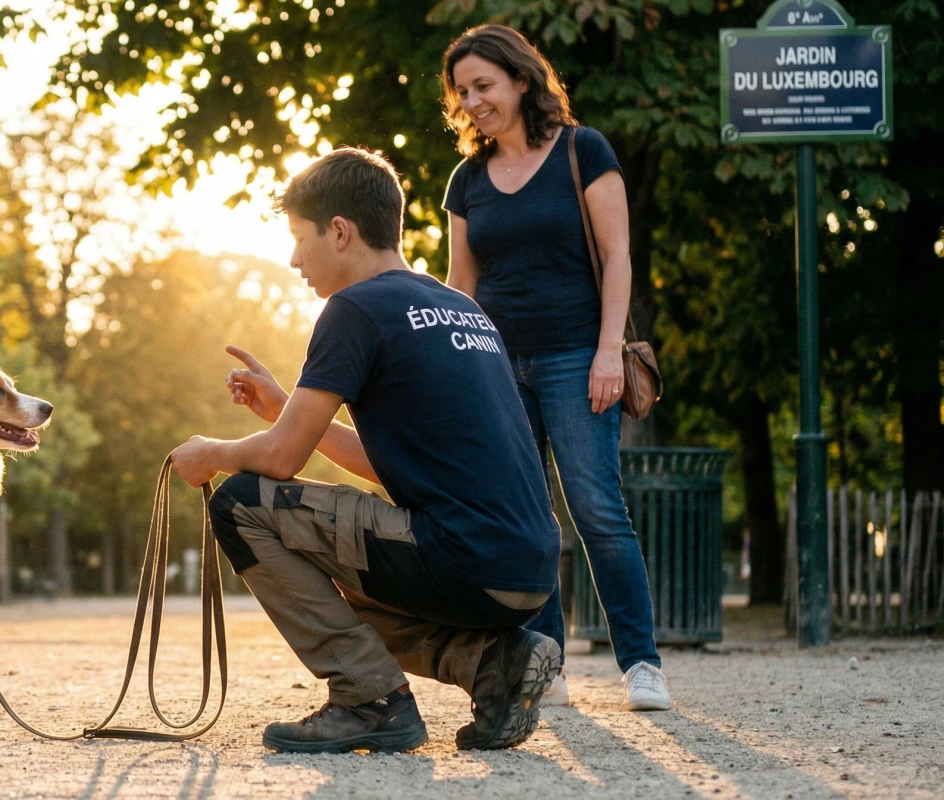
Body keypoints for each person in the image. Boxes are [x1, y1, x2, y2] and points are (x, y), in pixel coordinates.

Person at [169, 146, 563, 754]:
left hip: (463, 557)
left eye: (300, 239)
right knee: (330, 582)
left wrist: (211, 453)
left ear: (340, 231)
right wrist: (285, 411)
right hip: (526, 569)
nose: (293, 258)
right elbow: (395, 466)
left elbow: (279, 462)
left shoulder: (354, 308)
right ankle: (495, 664)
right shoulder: (459, 307)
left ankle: (368, 698)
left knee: (242, 503)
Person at [439, 24, 670, 711]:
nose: (472, 101)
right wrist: (458, 372)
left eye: (483, 85)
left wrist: (608, 349)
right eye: (461, 92)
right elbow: (461, 285)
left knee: (598, 510)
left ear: (520, 79)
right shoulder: (467, 179)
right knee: (528, 519)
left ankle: (642, 664)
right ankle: (547, 666)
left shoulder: (582, 150)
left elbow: (618, 254)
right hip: (498, 366)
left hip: (578, 356)